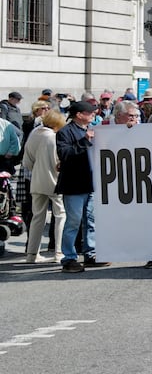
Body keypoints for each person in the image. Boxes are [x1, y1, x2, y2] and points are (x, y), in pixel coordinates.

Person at [55, 100, 109, 273]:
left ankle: (90, 253)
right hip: (74, 185)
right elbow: (65, 154)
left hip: (90, 183)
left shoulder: (92, 129)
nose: (94, 114)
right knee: (73, 222)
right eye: (90, 112)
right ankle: (69, 258)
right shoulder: (65, 132)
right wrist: (84, 140)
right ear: (79, 115)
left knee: (91, 221)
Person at [21, 109, 65, 264]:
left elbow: (27, 161)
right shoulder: (52, 137)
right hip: (54, 181)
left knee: (37, 217)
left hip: (36, 180)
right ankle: (58, 253)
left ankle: (32, 254)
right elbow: (58, 162)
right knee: (60, 215)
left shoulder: (34, 133)